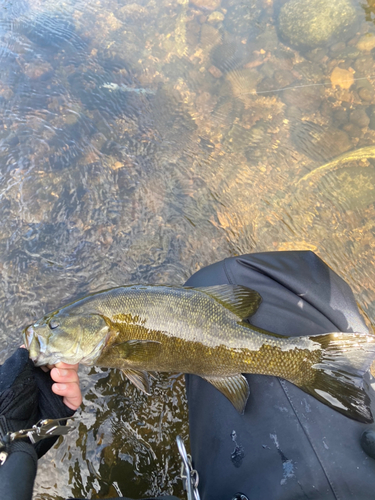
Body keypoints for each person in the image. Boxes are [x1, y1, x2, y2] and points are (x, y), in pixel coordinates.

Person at [1, 251, 375, 500]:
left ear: (96, 328)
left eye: (53, 327)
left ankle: (309, 362)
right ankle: (323, 362)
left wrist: (7, 433)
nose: (40, 332)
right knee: (214, 277)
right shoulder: (107, 338)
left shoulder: (110, 342)